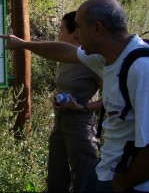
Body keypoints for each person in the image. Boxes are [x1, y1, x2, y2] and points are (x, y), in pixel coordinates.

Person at [0, 0, 149, 192]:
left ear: (97, 28)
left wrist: (123, 183)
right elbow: (64, 52)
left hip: (134, 184)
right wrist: (23, 44)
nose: (76, 35)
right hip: (107, 169)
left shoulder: (143, 70)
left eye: (79, 27)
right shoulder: (107, 57)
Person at [47, 11, 103, 193]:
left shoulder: (92, 60)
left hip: (81, 128)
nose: (59, 34)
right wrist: (56, 100)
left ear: (75, 33)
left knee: (84, 181)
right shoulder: (67, 58)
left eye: (62, 29)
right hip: (60, 125)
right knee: (56, 181)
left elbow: (112, 98)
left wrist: (80, 107)